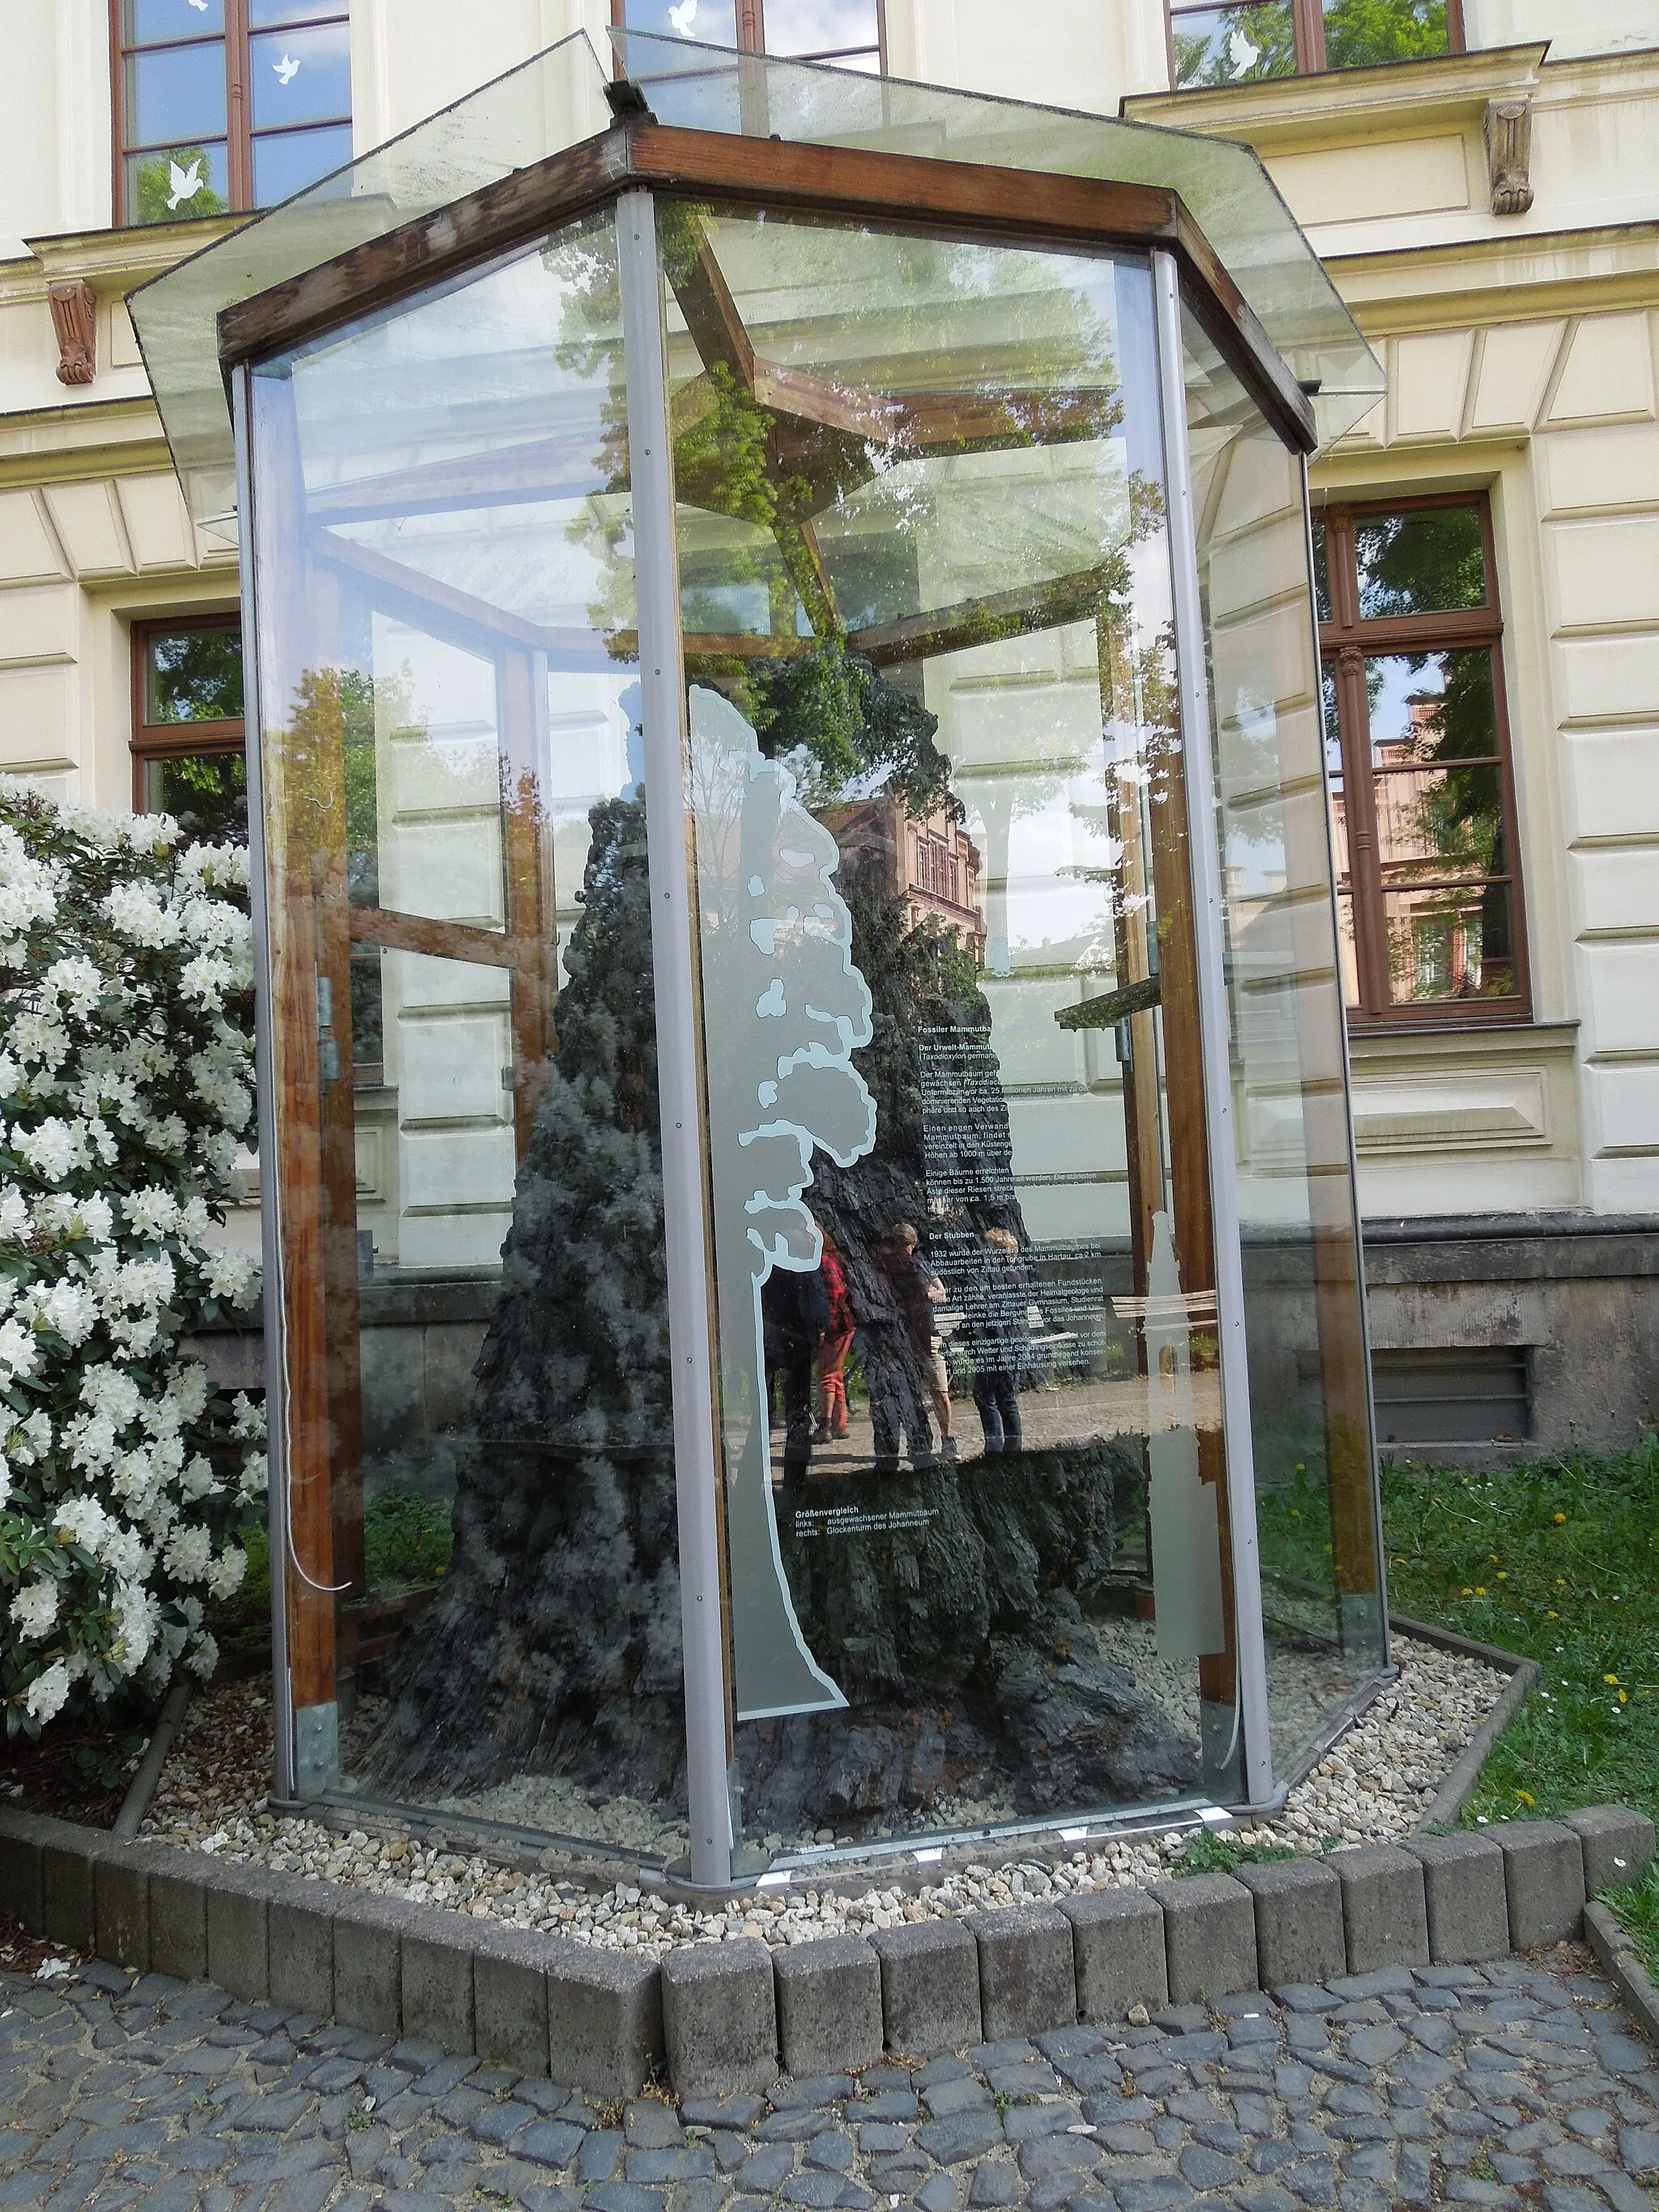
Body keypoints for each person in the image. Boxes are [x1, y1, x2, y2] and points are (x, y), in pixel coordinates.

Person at [868, 1221, 955, 1472]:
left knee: (935, 1389)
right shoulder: (890, 1267)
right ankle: (935, 1443)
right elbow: (929, 1294)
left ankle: (944, 1440)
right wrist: (925, 1294)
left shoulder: (919, 1264)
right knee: (926, 1391)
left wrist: (925, 1294)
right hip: (911, 1335)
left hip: (924, 1334)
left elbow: (942, 1292)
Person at [762, 1264, 830, 1487]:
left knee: (763, 1412)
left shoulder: (761, 1254)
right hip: (795, 1337)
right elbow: (815, 1301)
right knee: (798, 1413)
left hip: (767, 1335)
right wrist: (818, 1328)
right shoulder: (802, 1258)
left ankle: (752, 1474)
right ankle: (794, 1479)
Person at [965, 1225, 1030, 1455]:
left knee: (986, 1395)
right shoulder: (1017, 1275)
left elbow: (986, 1308)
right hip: (1015, 1341)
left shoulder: (995, 1277)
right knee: (1007, 1396)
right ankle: (1013, 1447)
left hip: (999, 1342)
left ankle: (995, 1446)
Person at [812, 1226, 855, 1443]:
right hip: (844, 1323)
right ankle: (840, 1424)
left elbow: (831, 1297)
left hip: (835, 1325)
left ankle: (825, 1426)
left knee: (826, 1375)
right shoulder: (832, 1258)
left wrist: (822, 1327)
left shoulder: (821, 1262)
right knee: (835, 1373)